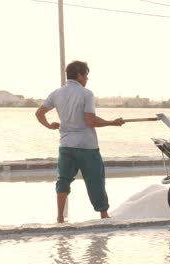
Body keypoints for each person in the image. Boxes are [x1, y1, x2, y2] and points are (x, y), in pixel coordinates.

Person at [35, 60, 125, 223]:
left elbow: (39, 113)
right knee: (95, 180)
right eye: (86, 75)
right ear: (79, 75)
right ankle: (104, 216)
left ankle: (60, 218)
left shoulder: (56, 93)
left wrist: (50, 126)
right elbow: (90, 121)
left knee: (63, 180)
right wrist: (112, 122)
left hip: (66, 145)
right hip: (86, 146)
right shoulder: (86, 94)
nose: (87, 79)